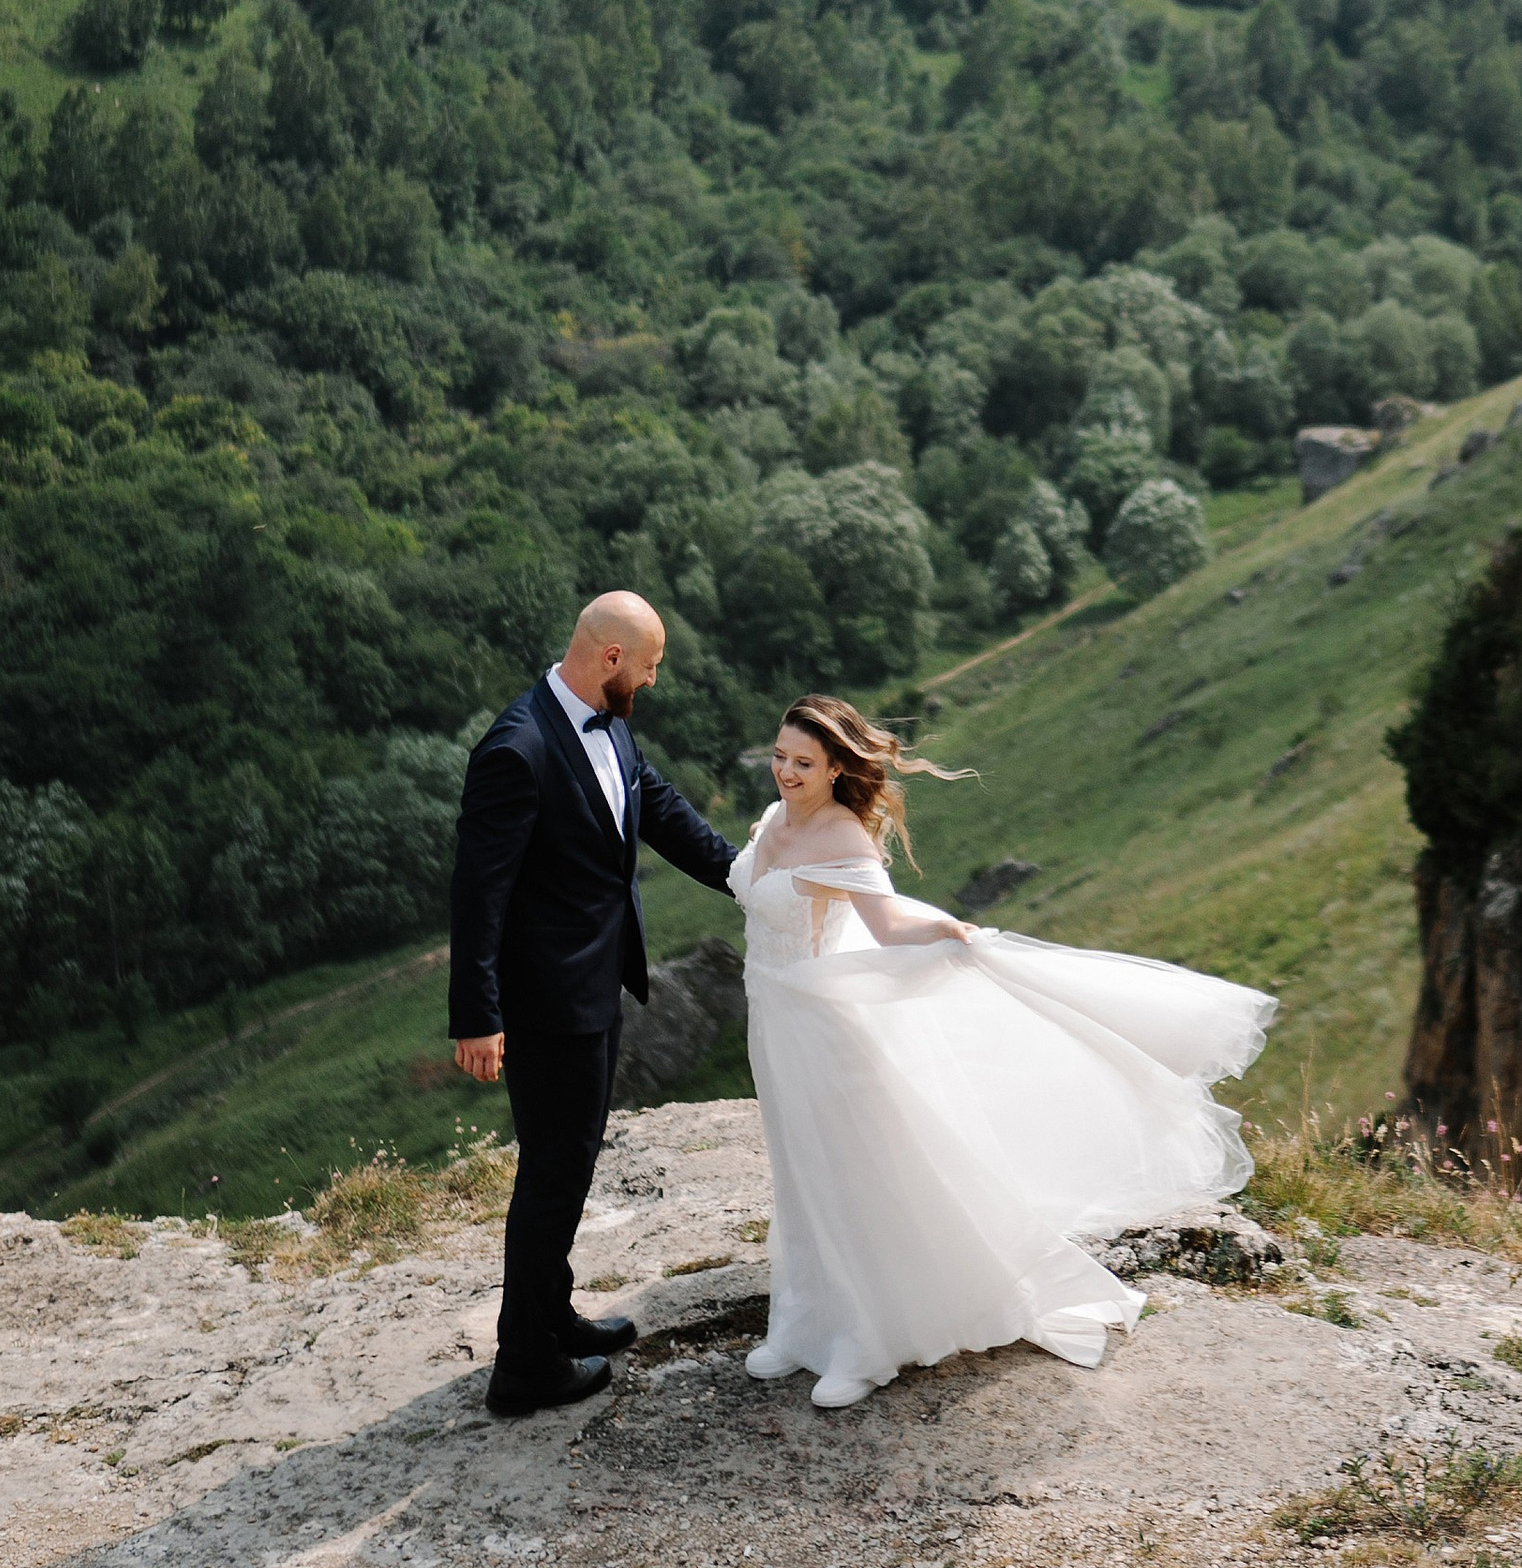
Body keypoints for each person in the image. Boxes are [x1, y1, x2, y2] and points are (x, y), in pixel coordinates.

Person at [731, 693, 1274, 1411]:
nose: (785, 772)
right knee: (798, 1170)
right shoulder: (774, 820)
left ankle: (864, 1343)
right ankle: (802, 1326)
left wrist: (947, 935)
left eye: (803, 762)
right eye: (779, 756)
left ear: (836, 769)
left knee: (847, 1174)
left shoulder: (841, 839)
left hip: (822, 1030)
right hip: (773, 1023)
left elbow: (888, 925)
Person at [449, 591, 740, 1418]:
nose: (650, 684)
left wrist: (748, 877)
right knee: (552, 1173)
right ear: (610, 658)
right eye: (647, 669)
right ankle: (524, 1366)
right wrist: (478, 1013)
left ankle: (551, 1316)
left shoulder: (606, 720)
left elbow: (659, 807)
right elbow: (480, 891)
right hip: (547, 1004)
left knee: (566, 1166)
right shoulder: (517, 747)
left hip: (596, 985)